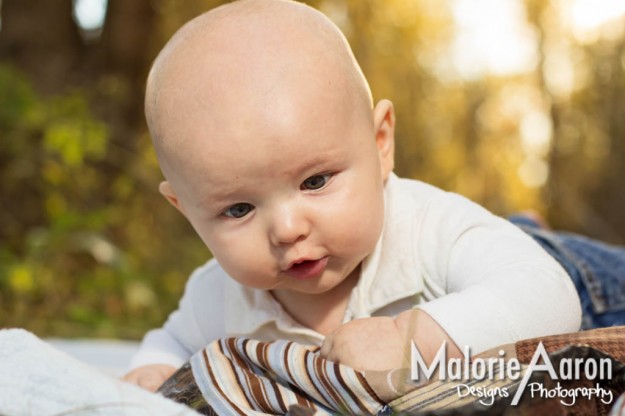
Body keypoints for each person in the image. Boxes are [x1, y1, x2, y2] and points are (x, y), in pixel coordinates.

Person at [122, 0, 624, 392]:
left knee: (526, 254)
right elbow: (174, 338)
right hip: (494, 257)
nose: (287, 228)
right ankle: (519, 228)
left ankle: (526, 232)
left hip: (577, 282)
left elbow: (548, 296)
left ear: (380, 144)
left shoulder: (429, 227)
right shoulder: (217, 294)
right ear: (185, 210)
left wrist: (413, 341)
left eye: (315, 181)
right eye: (238, 209)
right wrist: (153, 369)